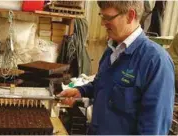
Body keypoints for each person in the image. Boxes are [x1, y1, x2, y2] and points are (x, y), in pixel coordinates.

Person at [58, 1, 175, 135]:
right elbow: (103, 84)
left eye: (107, 18)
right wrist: (81, 91)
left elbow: (154, 130)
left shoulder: (156, 62)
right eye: (101, 16)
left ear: (130, 15)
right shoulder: (112, 50)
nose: (102, 23)